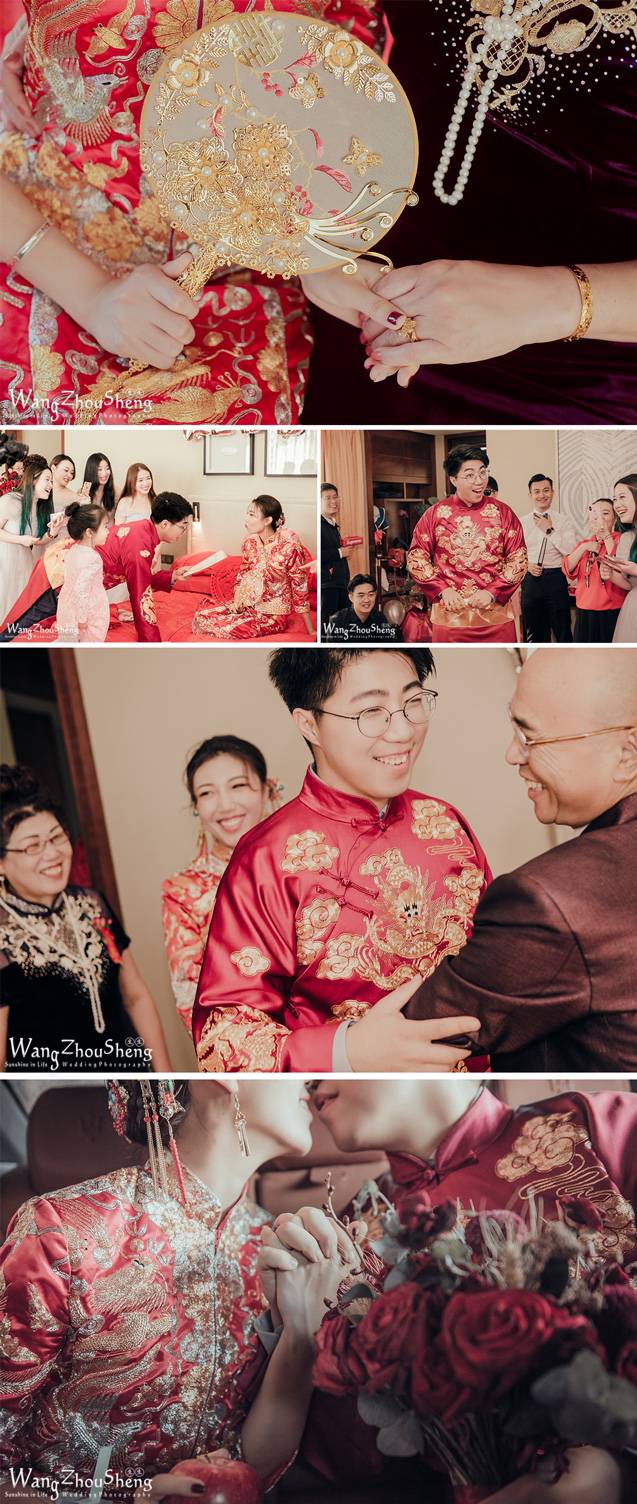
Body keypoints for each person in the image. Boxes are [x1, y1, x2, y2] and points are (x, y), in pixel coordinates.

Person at [0, 1, 408, 427]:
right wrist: (90, 294)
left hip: (250, 268)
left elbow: (343, 88)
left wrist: (314, 248)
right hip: (39, 245)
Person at [274, 1080, 637, 1504]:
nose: (311, 1080)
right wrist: (292, 1320)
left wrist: (614, 1471)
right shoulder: (356, 1226)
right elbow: (346, 1455)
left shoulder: (594, 1123)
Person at [0, 1077, 354, 1492]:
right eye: (287, 1068)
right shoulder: (62, 1231)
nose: (307, 1079)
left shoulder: (276, 1250)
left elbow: (250, 1464)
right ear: (221, 1077)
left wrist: (301, 1333)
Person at [193, 647, 489, 1074]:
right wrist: (346, 1051)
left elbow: (496, 956)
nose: (403, 730)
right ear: (309, 723)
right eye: (371, 712)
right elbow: (222, 1040)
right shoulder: (266, 859)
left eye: (412, 701)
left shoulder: (444, 821)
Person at [387, 647, 637, 1073]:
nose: (512, 754)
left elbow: (415, 1033)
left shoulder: (549, 901)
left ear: (627, 753)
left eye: (529, 737)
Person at [0, 766, 171, 1073]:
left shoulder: (92, 904)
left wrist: (166, 1078)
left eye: (56, 837)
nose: (52, 854)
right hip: (58, 1093)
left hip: (130, 1082)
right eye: (32, 846)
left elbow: (135, 997)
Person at [162, 736, 281, 1034]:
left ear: (267, 789)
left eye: (238, 786)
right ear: (196, 807)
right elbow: (192, 1002)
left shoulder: (308, 860)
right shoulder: (182, 893)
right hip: (243, 1047)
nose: (225, 806)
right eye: (207, 793)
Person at [0, 492, 194, 643]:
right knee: (23, 624)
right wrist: (151, 642)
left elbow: (140, 574)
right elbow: (140, 593)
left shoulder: (144, 531)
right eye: (183, 526)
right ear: (165, 524)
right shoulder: (140, 543)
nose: (184, 532)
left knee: (36, 623)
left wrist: (171, 577)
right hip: (60, 571)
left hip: (68, 566)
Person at [407, 445, 527, 642]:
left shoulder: (503, 513)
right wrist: (442, 589)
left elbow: (518, 558)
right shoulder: (435, 514)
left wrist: (493, 591)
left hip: (495, 616)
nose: (479, 481)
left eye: (482, 472)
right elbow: (416, 557)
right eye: (470, 475)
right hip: (450, 618)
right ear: (453, 479)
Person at [192, 496, 314, 640]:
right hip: (247, 606)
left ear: (267, 520)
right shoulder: (249, 543)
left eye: (251, 515)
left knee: (229, 627)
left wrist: (311, 630)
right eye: (247, 513)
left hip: (272, 615)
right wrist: (237, 602)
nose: (246, 519)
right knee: (202, 617)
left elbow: (299, 587)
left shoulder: (290, 548)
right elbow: (243, 574)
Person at [0, 455, 61, 622]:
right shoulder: (10, 500)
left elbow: (37, 541)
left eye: (51, 481)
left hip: (24, 563)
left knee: (18, 610)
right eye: (47, 480)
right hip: (5, 562)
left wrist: (52, 532)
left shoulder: (39, 507)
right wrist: (20, 540)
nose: (51, 485)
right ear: (33, 479)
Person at [520, 474, 576, 642]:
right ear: (530, 495)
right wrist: (527, 565)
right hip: (531, 580)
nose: (541, 495)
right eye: (536, 491)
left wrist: (550, 530)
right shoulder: (521, 522)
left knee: (563, 631)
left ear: (552, 492)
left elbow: (570, 551)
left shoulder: (564, 521)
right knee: (534, 633)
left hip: (556, 579)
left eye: (546, 490)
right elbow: (514, 554)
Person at [563, 498, 625, 642]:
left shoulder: (621, 540)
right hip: (584, 611)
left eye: (606, 513)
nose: (600, 518)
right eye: (596, 514)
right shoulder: (584, 544)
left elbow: (620, 566)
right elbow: (567, 568)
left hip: (611, 612)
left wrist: (607, 537)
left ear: (615, 519)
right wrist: (584, 547)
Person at [56, 501, 110, 643]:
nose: (108, 531)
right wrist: (82, 619)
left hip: (67, 607)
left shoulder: (73, 550)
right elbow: (81, 590)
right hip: (88, 613)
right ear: (89, 532)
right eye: (105, 527)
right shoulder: (93, 558)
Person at [326, 574, 403, 642]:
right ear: (351, 597)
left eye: (371, 595)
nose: (366, 600)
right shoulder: (337, 621)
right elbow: (332, 652)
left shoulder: (380, 618)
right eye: (361, 595)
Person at [320, 483, 353, 630]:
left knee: (341, 625)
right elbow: (320, 555)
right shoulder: (320, 524)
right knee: (327, 627)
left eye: (335, 497)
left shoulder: (331, 524)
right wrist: (340, 552)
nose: (333, 501)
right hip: (328, 584)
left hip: (340, 583)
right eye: (328, 498)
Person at [609, 474, 637, 643]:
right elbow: (629, 585)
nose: (617, 504)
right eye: (615, 499)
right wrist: (610, 573)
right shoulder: (628, 537)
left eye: (622, 497)